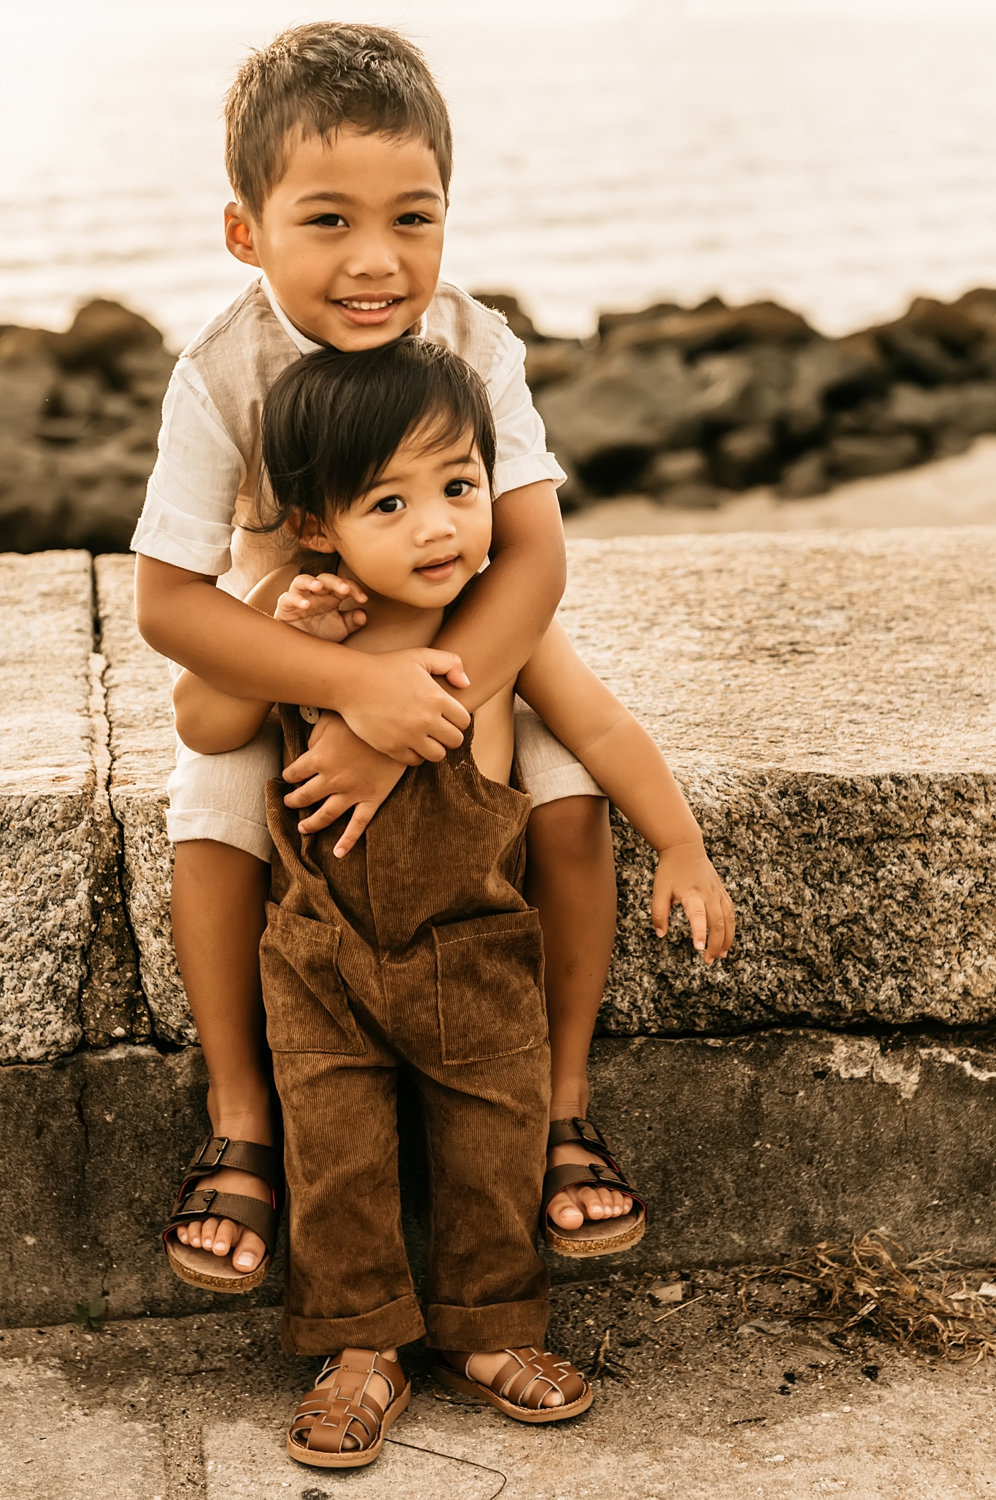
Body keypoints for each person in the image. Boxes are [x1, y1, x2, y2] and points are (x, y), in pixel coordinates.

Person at [136, 20, 703, 1292]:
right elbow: (172, 607)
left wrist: (416, 719)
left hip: (478, 640)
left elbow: (534, 562)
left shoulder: (475, 342)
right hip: (299, 645)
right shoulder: (223, 372)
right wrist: (349, 695)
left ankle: (558, 1107)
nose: (374, 262)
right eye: (326, 221)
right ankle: (242, 1122)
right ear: (248, 231)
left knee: (563, 799)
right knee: (214, 807)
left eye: (413, 218)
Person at [170, 337, 735, 1467]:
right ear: (317, 523)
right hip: (319, 962)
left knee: (490, 1154)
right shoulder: (305, 618)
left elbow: (603, 729)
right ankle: (360, 1347)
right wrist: (281, 637)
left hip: (472, 960)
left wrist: (679, 845)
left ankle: (488, 1330)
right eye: (391, 501)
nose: (439, 527)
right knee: (337, 1162)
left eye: (460, 488)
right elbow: (204, 727)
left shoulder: (499, 628)